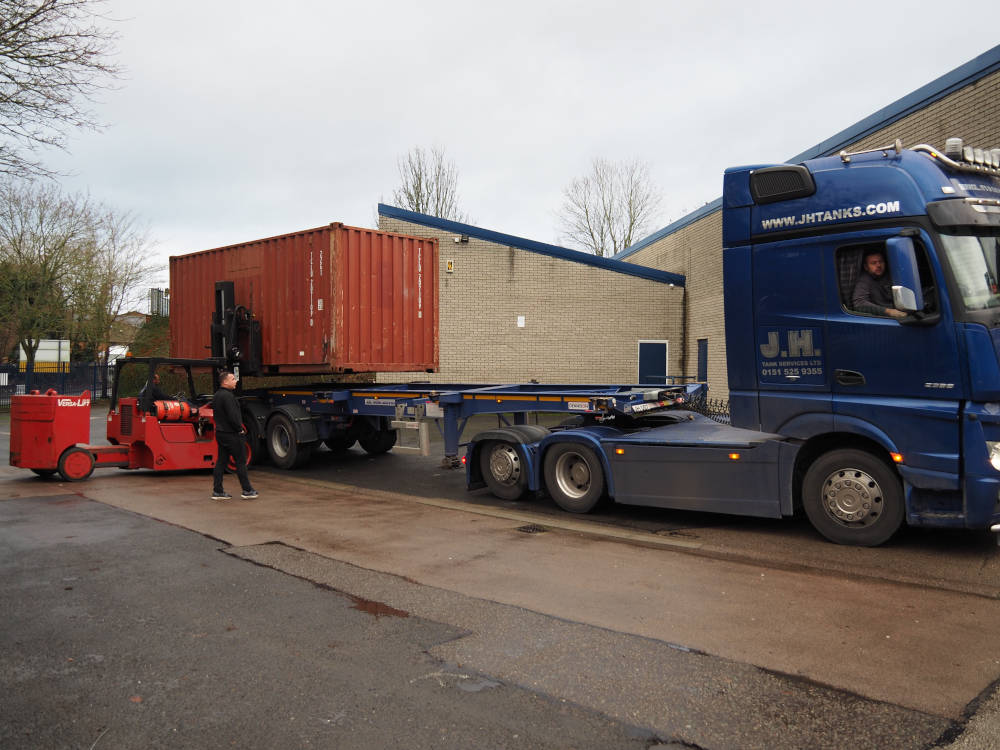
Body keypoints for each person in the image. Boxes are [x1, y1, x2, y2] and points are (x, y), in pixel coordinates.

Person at [211, 371, 258, 501]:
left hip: (221, 433)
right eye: (232, 378)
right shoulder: (228, 397)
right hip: (232, 434)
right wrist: (240, 429)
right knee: (241, 462)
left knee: (221, 461)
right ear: (225, 382)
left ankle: (218, 490)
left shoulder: (217, 396)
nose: (236, 380)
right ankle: (247, 490)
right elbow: (233, 416)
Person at [851, 250, 908, 319]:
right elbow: (859, 303)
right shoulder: (865, 280)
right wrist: (888, 311)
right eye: (873, 263)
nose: (878, 265)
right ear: (866, 267)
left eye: (881, 262)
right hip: (884, 318)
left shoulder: (892, 273)